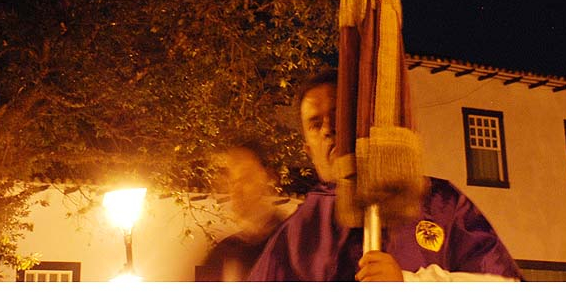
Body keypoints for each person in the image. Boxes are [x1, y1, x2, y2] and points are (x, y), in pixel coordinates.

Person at [248, 69, 521, 282]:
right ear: (308, 149)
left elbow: (504, 284)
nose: (328, 129)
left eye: (338, 114)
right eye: (315, 124)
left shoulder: (439, 203)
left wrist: (409, 284)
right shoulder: (297, 234)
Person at [198, 142, 291, 282]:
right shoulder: (222, 254)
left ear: (268, 178)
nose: (237, 189)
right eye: (232, 181)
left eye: (246, 178)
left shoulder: (291, 246)